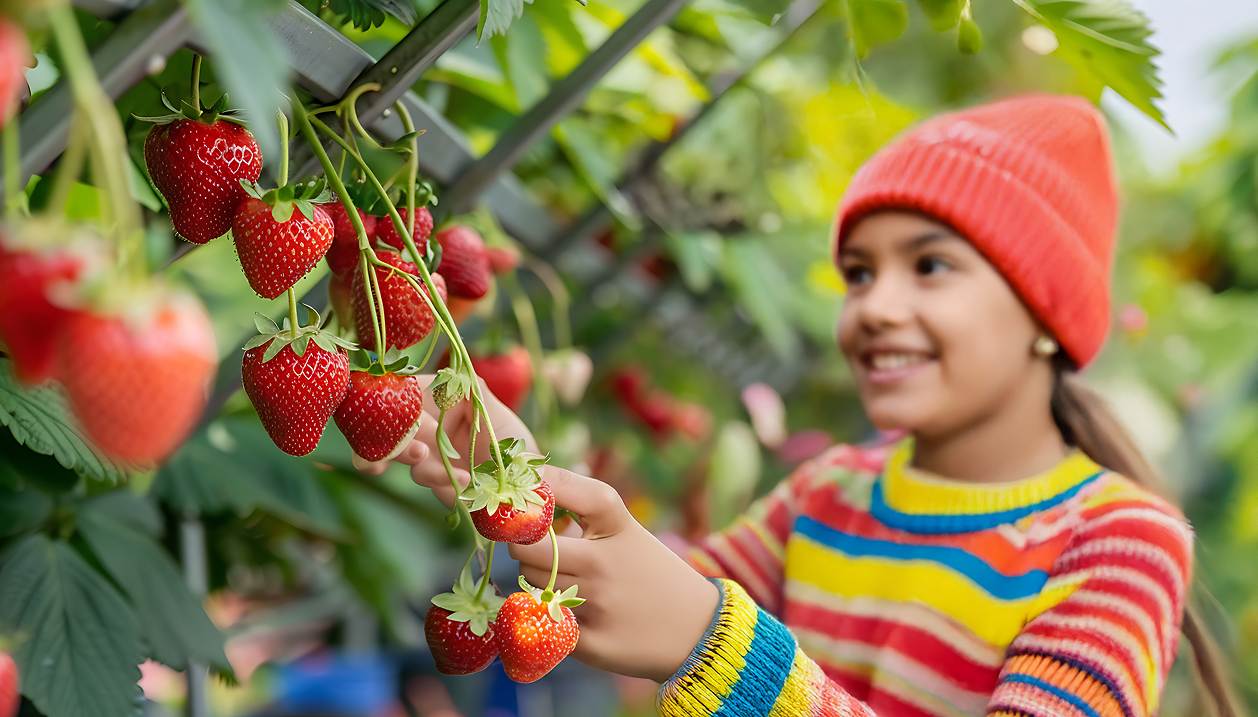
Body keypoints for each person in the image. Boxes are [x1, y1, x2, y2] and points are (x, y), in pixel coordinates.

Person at [377, 95, 1243, 717]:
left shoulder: (1120, 541)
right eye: (859, 272)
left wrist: (711, 649)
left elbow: (690, 620)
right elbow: (648, 595)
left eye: (930, 265)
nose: (873, 305)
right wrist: (517, 474)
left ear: (1044, 315)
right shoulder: (829, 492)